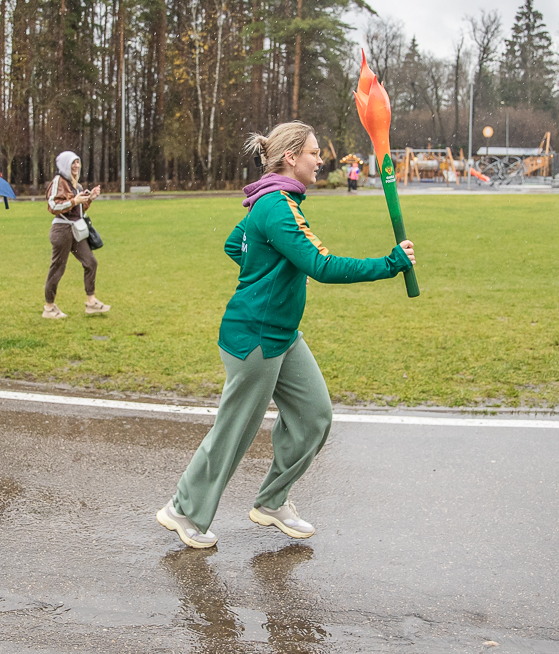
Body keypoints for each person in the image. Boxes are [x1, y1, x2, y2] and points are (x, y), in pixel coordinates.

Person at [156, 121, 416, 548]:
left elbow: (234, 244)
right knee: (234, 431)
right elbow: (322, 266)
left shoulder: (278, 202)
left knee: (314, 416)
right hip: (255, 337)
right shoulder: (276, 205)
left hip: (283, 334)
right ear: (291, 157)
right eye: (314, 152)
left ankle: (272, 501)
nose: (320, 159)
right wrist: (391, 263)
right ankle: (183, 509)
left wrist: (269, 271)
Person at [42, 151, 108, 318]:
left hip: (76, 230)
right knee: (57, 268)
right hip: (62, 231)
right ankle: (49, 308)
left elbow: (78, 211)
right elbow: (52, 206)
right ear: (65, 165)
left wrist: (89, 199)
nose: (76, 166)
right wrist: (74, 201)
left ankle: (91, 302)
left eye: (78, 163)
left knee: (91, 262)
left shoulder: (76, 185)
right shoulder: (59, 181)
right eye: (73, 163)